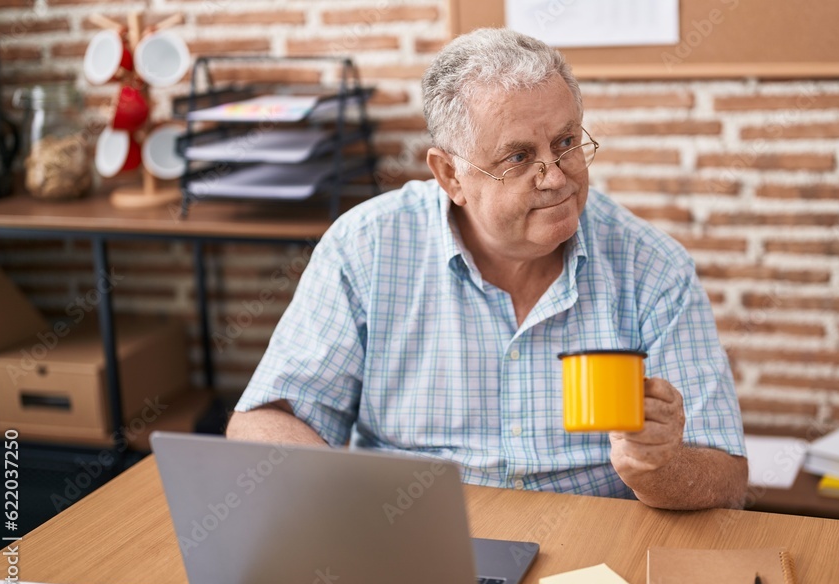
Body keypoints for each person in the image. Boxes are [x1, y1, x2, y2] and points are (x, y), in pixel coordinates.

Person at [227, 28, 748, 510]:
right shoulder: (365, 248)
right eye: (519, 158)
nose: (556, 177)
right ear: (450, 175)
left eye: (567, 142)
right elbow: (265, 421)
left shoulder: (652, 267)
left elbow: (726, 479)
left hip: (593, 545)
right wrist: (347, 508)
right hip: (416, 533)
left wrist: (658, 469)